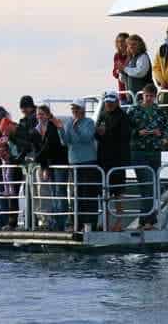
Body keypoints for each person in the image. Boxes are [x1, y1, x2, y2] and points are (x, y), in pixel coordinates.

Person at [127, 84, 168, 230]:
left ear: (155, 96)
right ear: (142, 95)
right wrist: (138, 133)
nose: (149, 99)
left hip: (155, 152)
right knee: (146, 184)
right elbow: (126, 129)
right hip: (139, 152)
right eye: (147, 96)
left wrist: (162, 136)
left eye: (151, 96)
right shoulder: (133, 110)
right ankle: (146, 221)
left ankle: (148, 220)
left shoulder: (160, 112)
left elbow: (167, 129)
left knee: (152, 185)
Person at [55, 98, 99, 230]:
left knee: (89, 194)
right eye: (73, 109)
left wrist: (77, 128)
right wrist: (61, 130)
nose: (74, 111)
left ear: (82, 110)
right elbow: (65, 141)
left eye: (77, 108)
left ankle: (91, 223)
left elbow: (87, 138)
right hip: (74, 163)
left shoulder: (89, 122)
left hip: (88, 162)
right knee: (76, 195)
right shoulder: (69, 123)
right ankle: (77, 224)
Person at [95, 91, 131, 231]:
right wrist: (99, 133)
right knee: (105, 192)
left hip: (118, 160)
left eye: (111, 102)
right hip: (104, 159)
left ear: (117, 102)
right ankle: (105, 221)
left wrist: (105, 132)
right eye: (107, 102)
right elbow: (97, 135)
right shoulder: (103, 115)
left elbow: (124, 137)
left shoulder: (123, 117)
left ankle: (119, 222)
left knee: (118, 193)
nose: (108, 104)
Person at [33, 105, 69, 231]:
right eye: (38, 114)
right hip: (50, 163)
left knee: (60, 191)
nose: (40, 116)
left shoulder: (53, 127)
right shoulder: (37, 129)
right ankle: (55, 220)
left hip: (59, 161)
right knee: (53, 191)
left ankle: (62, 221)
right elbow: (38, 148)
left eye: (42, 114)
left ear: (48, 115)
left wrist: (37, 159)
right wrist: (44, 167)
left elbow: (50, 147)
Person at [112, 32, 130, 102]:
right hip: (122, 90)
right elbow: (114, 73)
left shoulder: (132, 54)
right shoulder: (117, 56)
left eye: (122, 41)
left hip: (132, 88)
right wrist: (118, 71)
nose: (120, 44)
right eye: (118, 41)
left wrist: (123, 68)